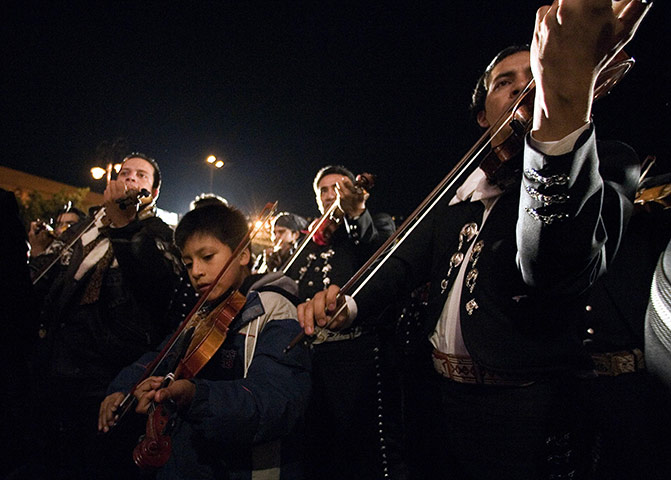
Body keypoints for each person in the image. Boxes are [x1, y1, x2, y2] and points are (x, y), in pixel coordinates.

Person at [298, 2, 645, 478]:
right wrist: (351, 304)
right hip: (436, 399)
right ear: (483, 115)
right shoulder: (459, 190)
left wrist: (561, 111)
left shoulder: (601, 166)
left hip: (526, 411)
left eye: (534, 72)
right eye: (505, 81)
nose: (523, 83)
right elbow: (404, 261)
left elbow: (555, 263)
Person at [99, 203, 312, 480]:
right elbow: (159, 355)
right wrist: (122, 390)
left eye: (207, 257)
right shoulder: (202, 313)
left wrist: (196, 396)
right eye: (188, 263)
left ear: (243, 254)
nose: (196, 271)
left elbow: (275, 401)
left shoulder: (275, 309)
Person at [20, 153, 183, 480]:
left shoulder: (160, 233)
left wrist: (124, 226)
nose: (131, 179)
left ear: (154, 191)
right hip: (58, 364)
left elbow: (159, 288)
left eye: (141, 175)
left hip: (108, 371)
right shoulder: (86, 227)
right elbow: (45, 277)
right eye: (125, 173)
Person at [284, 165, 403, 479]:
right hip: (313, 358)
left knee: (364, 452)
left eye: (337, 187)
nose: (330, 194)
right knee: (319, 451)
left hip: (358, 357)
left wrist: (356, 213)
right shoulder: (312, 238)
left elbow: (384, 262)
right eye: (323, 190)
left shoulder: (376, 222)